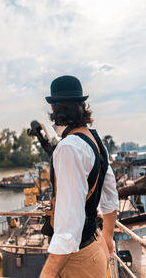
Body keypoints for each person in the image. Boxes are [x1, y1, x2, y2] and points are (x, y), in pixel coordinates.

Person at [40, 75, 119, 278]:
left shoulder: (68, 148)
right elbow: (110, 197)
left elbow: (68, 228)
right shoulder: (95, 140)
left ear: (56, 111)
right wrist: (108, 237)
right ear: (82, 107)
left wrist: (47, 273)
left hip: (78, 258)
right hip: (96, 244)